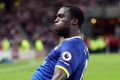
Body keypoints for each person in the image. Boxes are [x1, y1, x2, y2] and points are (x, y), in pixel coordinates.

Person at [31, 4, 89, 80]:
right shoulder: (74, 44)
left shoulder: (72, 46)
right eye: (57, 17)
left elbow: (59, 77)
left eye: (61, 16)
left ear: (74, 21)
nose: (56, 20)